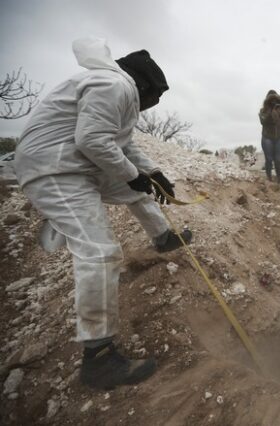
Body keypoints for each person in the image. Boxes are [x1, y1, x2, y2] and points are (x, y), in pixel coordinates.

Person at [14, 37, 193, 389]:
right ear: (144, 86)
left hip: (76, 165)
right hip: (55, 169)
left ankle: (163, 237)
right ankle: (98, 356)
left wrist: (153, 175)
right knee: (100, 253)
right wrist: (134, 175)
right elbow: (94, 141)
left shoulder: (115, 90)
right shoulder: (115, 85)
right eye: (154, 97)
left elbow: (124, 145)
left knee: (135, 189)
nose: (152, 105)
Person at [259, 90, 280, 184]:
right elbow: (263, 121)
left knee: (277, 159)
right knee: (269, 159)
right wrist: (270, 111)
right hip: (267, 138)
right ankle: (269, 178)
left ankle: (279, 179)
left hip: (278, 138)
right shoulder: (262, 111)